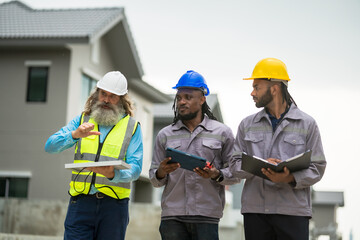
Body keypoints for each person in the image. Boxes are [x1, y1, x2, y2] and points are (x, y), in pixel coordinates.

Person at [230, 58, 327, 240]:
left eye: (257, 87)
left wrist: (290, 177)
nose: (252, 93)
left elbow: (318, 166)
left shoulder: (307, 124)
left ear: (274, 88)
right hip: (256, 212)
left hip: (292, 212)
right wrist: (258, 166)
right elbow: (234, 165)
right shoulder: (247, 125)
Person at [45, 71, 143, 240]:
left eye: (112, 96)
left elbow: (135, 169)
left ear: (121, 99)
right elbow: (50, 146)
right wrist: (74, 135)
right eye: (103, 93)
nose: (106, 99)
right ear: (97, 93)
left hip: (114, 207)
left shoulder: (132, 127)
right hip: (81, 204)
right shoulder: (81, 121)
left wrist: (114, 174)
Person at [149, 70, 239, 240]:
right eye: (179, 97)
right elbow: (154, 178)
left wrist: (216, 174)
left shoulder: (222, 132)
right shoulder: (165, 135)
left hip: (206, 216)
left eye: (188, 97)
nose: (182, 102)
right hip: (172, 217)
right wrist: (161, 171)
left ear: (202, 99)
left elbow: (235, 174)